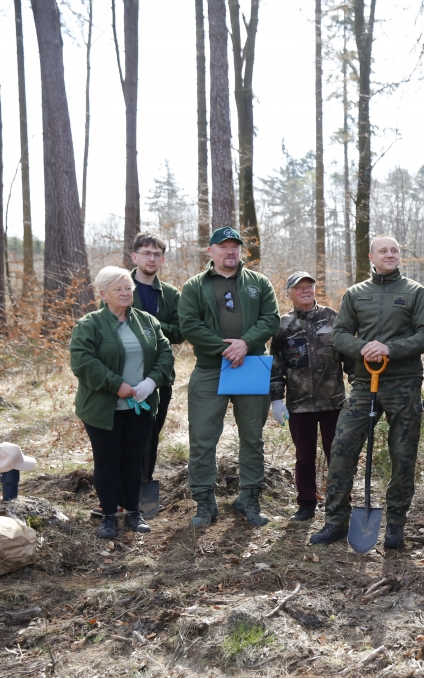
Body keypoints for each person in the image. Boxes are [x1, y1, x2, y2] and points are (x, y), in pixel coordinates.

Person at [310, 234, 424, 549]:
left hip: (403, 384)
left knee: (402, 455)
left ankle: (395, 524)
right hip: (365, 384)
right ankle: (335, 522)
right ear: (371, 256)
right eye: (384, 250)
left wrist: (390, 348)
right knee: (341, 449)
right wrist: (363, 347)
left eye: (395, 250)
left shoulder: (415, 292)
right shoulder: (355, 294)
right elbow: (339, 334)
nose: (390, 254)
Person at [179, 227, 281, 527]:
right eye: (223, 246)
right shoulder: (195, 286)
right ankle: (205, 503)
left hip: (251, 366)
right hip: (211, 368)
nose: (230, 251)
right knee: (202, 438)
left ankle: (248, 498)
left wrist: (245, 343)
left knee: (252, 436)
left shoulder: (258, 283)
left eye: (235, 246)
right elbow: (189, 324)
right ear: (210, 251)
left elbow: (271, 319)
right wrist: (226, 349)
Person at [70, 266, 174, 538]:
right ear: (104, 294)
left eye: (128, 288)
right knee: (107, 462)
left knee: (133, 461)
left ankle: (133, 512)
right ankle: (108, 515)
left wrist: (152, 381)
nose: (125, 293)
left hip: (140, 406)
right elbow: (83, 362)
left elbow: (165, 352)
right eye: (118, 289)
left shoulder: (147, 322)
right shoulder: (89, 324)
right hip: (102, 409)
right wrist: (117, 385)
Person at [270, 271, 346, 522]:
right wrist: (276, 399)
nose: (305, 291)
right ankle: (306, 504)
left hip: (332, 401)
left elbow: (349, 356)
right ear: (289, 293)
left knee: (337, 454)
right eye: (299, 287)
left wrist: (360, 388)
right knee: (304, 457)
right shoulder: (283, 325)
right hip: (299, 404)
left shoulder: (332, 317)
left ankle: (340, 503)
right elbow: (277, 366)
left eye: (309, 286)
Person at [130, 233, 184, 498]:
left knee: (152, 433)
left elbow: (180, 331)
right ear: (135, 256)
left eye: (156, 254)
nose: (151, 258)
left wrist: (150, 323)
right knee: (124, 434)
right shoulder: (119, 286)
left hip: (160, 376)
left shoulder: (171, 294)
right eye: (146, 253)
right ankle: (120, 490)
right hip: (125, 374)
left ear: (162, 259)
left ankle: (144, 483)